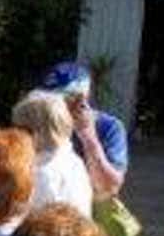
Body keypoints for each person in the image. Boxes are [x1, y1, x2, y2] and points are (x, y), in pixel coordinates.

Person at [39, 60, 130, 202]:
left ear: (82, 100)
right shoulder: (38, 122)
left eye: (60, 99)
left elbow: (109, 187)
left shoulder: (109, 127)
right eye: (46, 99)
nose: (51, 106)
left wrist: (88, 137)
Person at [13, 91, 93, 218]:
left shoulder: (41, 174)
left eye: (20, 129)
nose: (16, 135)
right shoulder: (74, 162)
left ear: (36, 131)